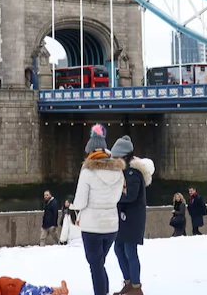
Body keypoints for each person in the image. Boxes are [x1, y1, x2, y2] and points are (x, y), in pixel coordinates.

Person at [70, 124, 125, 295]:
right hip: (111, 226)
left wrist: (72, 208)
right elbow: (120, 196)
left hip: (91, 226)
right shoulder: (119, 171)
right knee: (99, 263)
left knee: (95, 265)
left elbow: (80, 201)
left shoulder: (87, 172)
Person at [113, 135, 155, 295]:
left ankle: (136, 287)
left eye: (116, 156)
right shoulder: (125, 171)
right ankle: (128, 282)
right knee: (119, 249)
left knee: (130, 251)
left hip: (132, 219)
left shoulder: (132, 173)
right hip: (124, 218)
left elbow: (130, 196)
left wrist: (112, 199)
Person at [0, 274, 69, 295]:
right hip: (20, 285)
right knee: (37, 289)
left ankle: (57, 292)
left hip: (18, 289)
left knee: (34, 292)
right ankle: (59, 290)